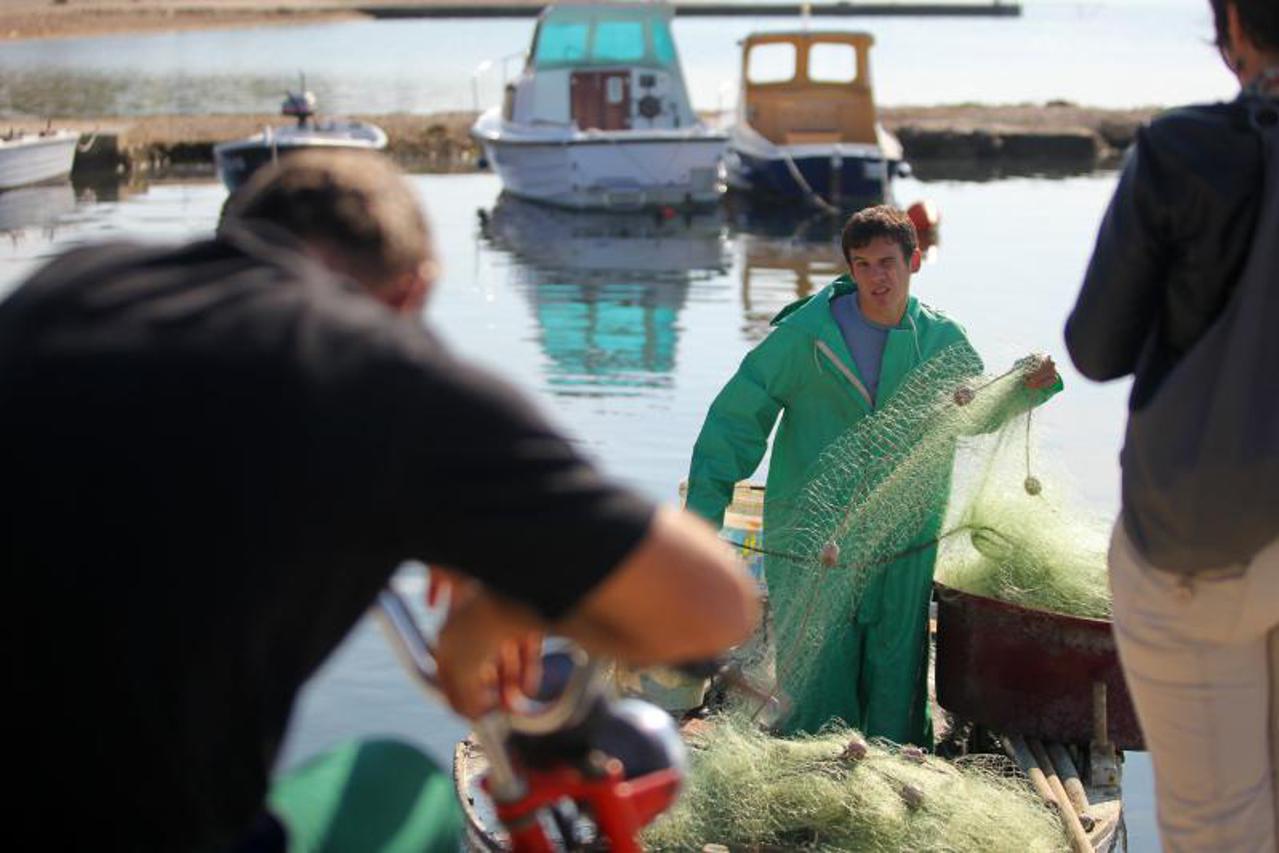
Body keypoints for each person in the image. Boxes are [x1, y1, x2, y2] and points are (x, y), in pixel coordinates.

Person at [0, 150, 758, 851]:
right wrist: (504, 607)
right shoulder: (367, 367)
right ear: (414, 291)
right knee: (397, 786)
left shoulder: (68, 288)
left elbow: (187, 445)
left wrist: (452, 522)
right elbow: (713, 606)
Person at [685, 205, 1061, 745]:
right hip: (814, 535)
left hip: (903, 537)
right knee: (817, 667)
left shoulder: (942, 342)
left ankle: (894, 767)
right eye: (862, 264)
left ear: (914, 262)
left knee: (895, 662)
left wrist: (1027, 389)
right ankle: (810, 773)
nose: (876, 277)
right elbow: (732, 426)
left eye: (888, 262)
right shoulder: (805, 337)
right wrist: (699, 521)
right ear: (849, 268)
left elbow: (975, 414)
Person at [1065, 1, 1279, 848]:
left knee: (1221, 826)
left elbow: (1094, 347)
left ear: (1230, 23)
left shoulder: (1181, 153)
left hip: (1199, 538)